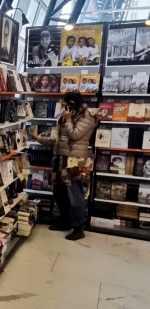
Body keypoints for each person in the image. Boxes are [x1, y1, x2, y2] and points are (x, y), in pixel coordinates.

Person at [34, 93, 98, 240]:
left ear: (72, 104)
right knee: (59, 192)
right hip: (60, 158)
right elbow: (59, 140)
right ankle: (65, 221)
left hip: (75, 160)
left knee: (75, 194)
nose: (62, 108)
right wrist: (40, 139)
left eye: (63, 105)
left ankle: (78, 227)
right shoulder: (65, 116)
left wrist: (68, 119)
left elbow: (75, 135)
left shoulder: (87, 117)